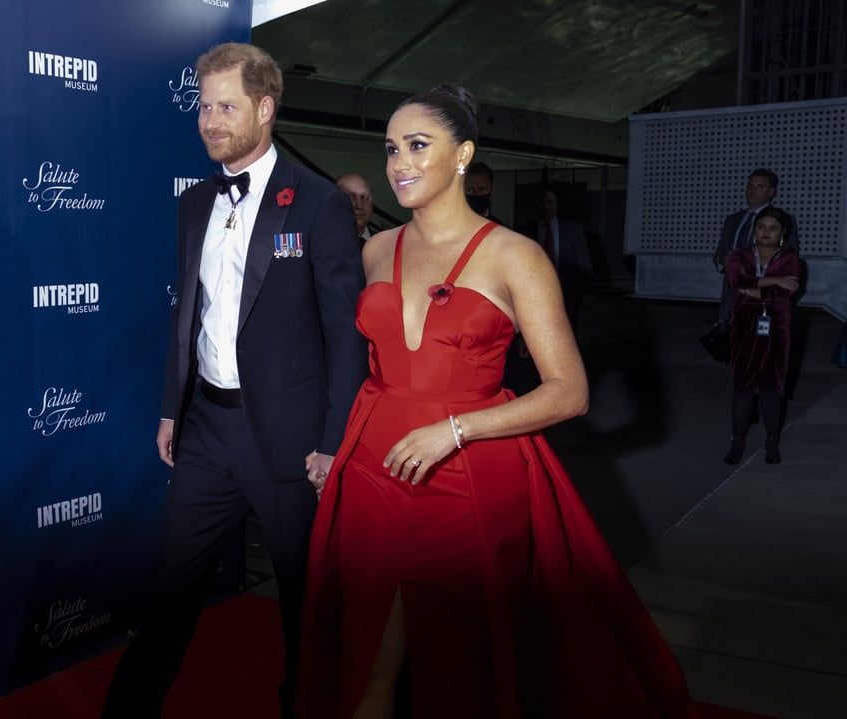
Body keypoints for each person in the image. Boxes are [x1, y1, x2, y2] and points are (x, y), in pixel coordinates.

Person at [296, 85, 695, 718]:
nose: (398, 163)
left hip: (467, 477)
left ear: (464, 155)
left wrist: (452, 431)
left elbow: (570, 391)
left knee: (464, 668)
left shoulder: (516, 256)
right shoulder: (376, 248)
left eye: (418, 146)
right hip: (373, 467)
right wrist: (334, 454)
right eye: (392, 148)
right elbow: (362, 368)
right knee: (368, 654)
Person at [101, 42, 367, 719]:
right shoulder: (194, 202)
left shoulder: (317, 205)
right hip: (206, 432)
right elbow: (186, 316)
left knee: (304, 608)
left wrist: (335, 442)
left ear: (266, 107)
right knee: (170, 591)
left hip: (292, 443)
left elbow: (346, 335)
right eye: (204, 106)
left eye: (227, 106)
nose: (210, 120)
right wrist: (171, 409)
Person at [723, 206, 801, 465]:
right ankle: (737, 442)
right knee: (743, 387)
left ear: (782, 233)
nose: (765, 232)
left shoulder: (791, 259)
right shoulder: (739, 255)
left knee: (771, 389)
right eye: (761, 227)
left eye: (773, 228)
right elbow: (736, 282)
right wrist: (774, 281)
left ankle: (772, 442)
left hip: (777, 329)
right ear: (754, 230)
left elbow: (783, 294)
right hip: (744, 328)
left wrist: (753, 288)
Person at [713, 168, 798, 327]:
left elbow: (789, 259)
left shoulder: (783, 220)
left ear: (771, 191)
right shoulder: (732, 220)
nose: (753, 190)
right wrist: (722, 259)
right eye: (750, 185)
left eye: (760, 186)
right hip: (731, 298)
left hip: (764, 299)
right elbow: (719, 253)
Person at [520, 187, 594, 334]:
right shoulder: (525, 232)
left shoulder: (573, 230)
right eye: (542, 203)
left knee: (568, 335)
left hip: (566, 295)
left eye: (550, 202)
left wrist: (588, 291)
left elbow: (583, 262)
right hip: (535, 296)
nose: (546, 207)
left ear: (556, 204)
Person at [336, 172, 375, 248]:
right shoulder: (317, 242)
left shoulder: (387, 244)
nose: (359, 205)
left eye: (364, 197)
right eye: (351, 197)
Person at [463, 160, 508, 226]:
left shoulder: (502, 230)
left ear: (491, 190)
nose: (476, 194)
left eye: (482, 189)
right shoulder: (449, 226)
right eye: (471, 189)